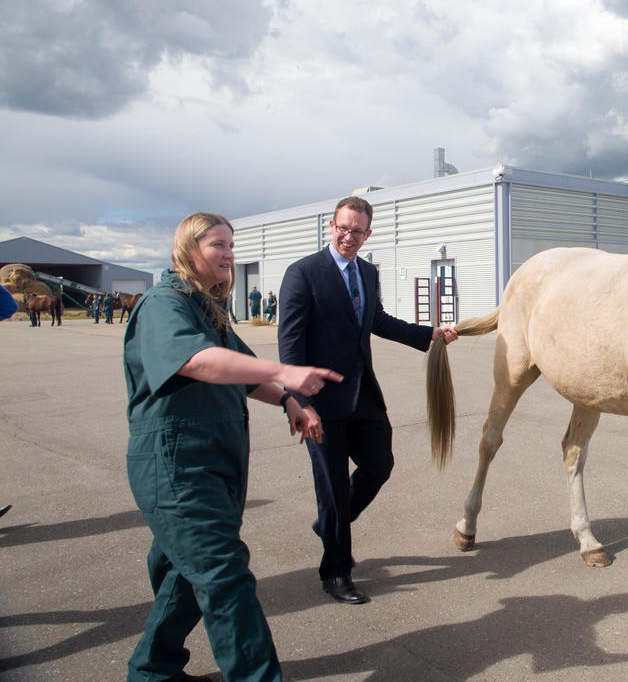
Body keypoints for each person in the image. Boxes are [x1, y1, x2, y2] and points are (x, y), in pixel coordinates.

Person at [123, 212, 343, 682]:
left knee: (185, 575)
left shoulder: (207, 310)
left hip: (216, 459)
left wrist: (287, 400)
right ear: (188, 250)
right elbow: (197, 361)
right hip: (175, 462)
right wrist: (282, 373)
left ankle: (151, 669)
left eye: (231, 245)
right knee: (225, 576)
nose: (229, 254)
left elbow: (240, 368)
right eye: (218, 245)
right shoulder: (165, 304)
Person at [278, 195, 458, 604]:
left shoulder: (367, 272)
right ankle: (336, 571)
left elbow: (376, 321)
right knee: (333, 488)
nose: (348, 236)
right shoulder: (303, 273)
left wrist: (426, 335)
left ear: (368, 234)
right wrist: (298, 400)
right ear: (331, 225)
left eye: (357, 231)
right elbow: (289, 346)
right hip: (320, 402)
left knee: (380, 465)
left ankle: (331, 525)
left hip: (364, 395)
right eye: (343, 228)